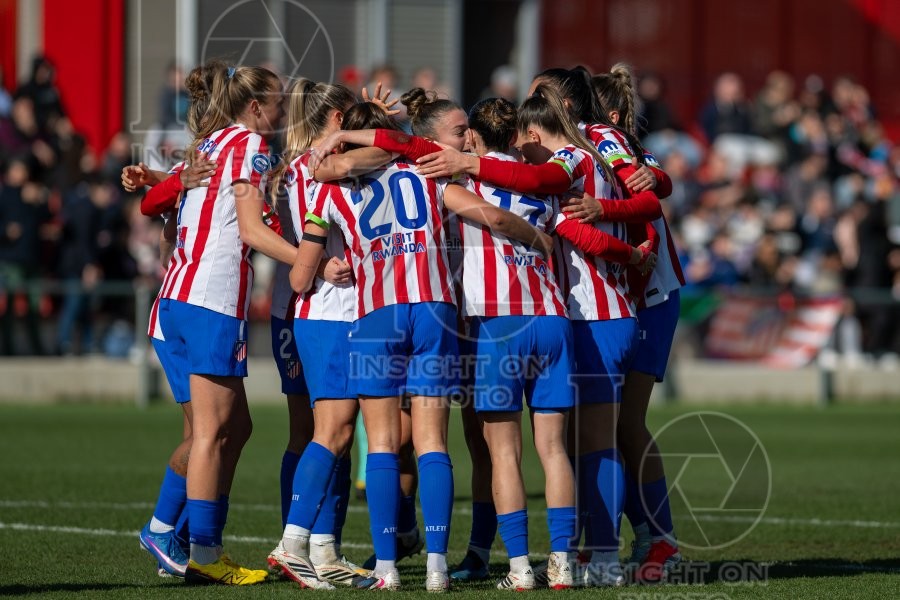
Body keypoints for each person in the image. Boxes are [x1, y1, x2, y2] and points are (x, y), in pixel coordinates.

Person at [297, 112, 555, 592]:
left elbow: (299, 274)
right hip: (436, 311)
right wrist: (540, 238)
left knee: (381, 444)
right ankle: (437, 566)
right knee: (433, 442)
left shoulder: (332, 187)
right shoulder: (429, 171)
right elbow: (489, 215)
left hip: (377, 314)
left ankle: (387, 568)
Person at [155, 60, 293, 585]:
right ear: (255, 107)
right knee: (212, 433)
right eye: (278, 103)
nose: (284, 112)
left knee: (234, 427)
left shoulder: (211, 142)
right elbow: (252, 231)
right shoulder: (251, 145)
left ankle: (176, 535)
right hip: (210, 298)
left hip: (181, 295)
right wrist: (312, 259)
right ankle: (204, 553)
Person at [267, 80, 400, 589]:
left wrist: (375, 125)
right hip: (330, 309)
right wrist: (381, 132)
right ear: (338, 120)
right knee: (329, 432)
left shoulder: (305, 165)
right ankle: (298, 543)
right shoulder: (322, 166)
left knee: (335, 433)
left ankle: (321, 549)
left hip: (339, 311)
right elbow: (308, 250)